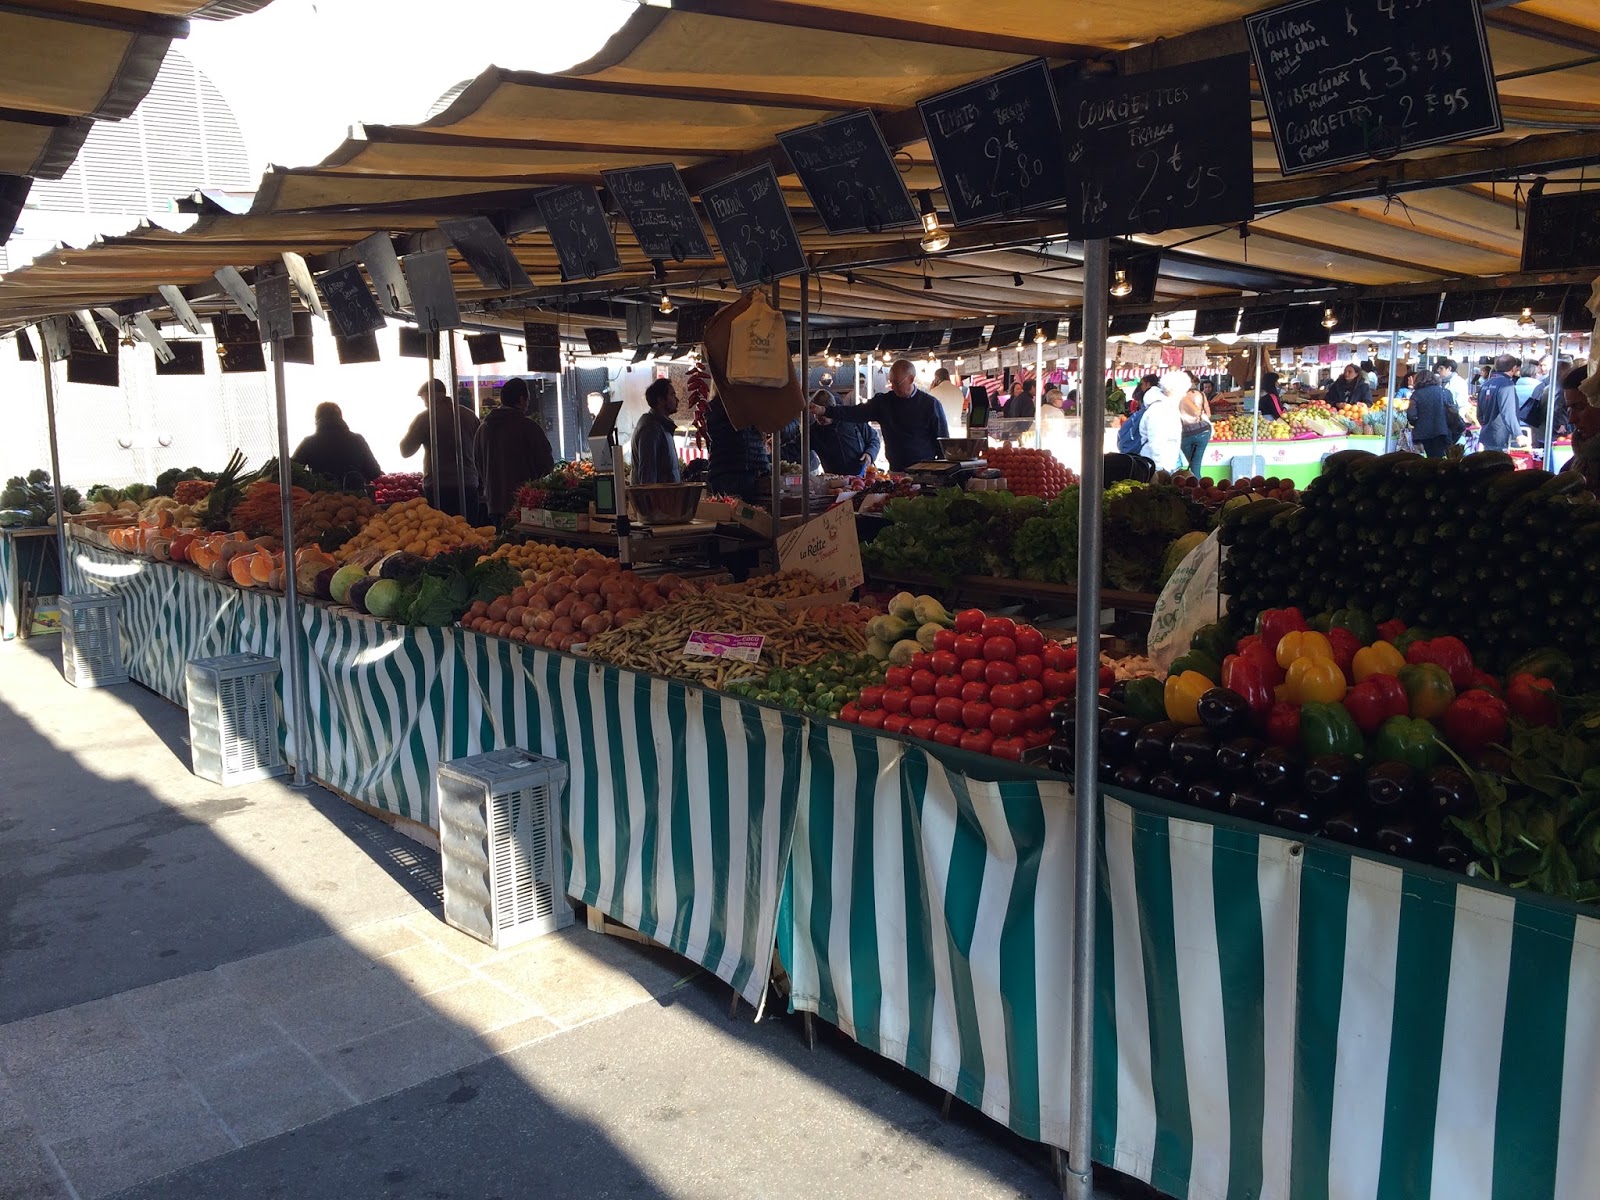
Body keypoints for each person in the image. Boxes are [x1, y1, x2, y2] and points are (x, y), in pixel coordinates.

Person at [810, 357, 948, 472]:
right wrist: (825, 411)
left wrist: (941, 472)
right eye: (891, 381)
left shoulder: (931, 405)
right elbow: (855, 413)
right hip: (896, 470)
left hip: (925, 471)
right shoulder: (884, 402)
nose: (892, 386)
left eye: (896, 382)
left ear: (911, 379)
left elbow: (942, 441)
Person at [474, 377, 555, 526]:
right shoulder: (528, 427)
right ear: (521, 399)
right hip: (523, 506)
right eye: (527, 399)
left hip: (493, 505)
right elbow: (547, 464)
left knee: (502, 547)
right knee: (524, 549)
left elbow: (477, 464)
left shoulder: (482, 429)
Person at [399, 379, 481, 518]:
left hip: (439, 487)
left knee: (442, 534)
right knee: (470, 532)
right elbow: (480, 450)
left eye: (423, 399)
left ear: (427, 396)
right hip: (469, 484)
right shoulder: (469, 415)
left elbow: (406, 451)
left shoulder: (426, 418)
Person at [291, 402, 381, 492]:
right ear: (340, 417)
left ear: (316, 419)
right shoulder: (357, 440)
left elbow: (291, 471)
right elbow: (375, 472)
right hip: (354, 501)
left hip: (321, 501)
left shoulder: (309, 442)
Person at [704, 394, 770, 501]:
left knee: (731, 513)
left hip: (728, 470)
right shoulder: (745, 404)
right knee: (740, 513)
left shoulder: (714, 408)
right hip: (740, 471)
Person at [630, 377, 682, 486]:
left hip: (666, 498)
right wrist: (650, 500)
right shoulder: (651, 428)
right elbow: (647, 472)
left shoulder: (662, 425)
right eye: (672, 395)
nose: (677, 400)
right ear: (660, 400)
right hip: (659, 500)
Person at [1139, 371, 1187, 473]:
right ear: (1174, 390)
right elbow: (1156, 443)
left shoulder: (1166, 407)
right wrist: (1160, 470)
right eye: (1184, 391)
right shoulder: (1161, 410)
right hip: (1159, 466)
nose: (1185, 394)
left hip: (1164, 463)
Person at [1475, 354, 1522, 452]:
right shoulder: (1507, 384)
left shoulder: (1486, 384)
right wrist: (1518, 434)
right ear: (1513, 368)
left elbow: (1479, 414)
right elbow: (1508, 411)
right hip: (1502, 436)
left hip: (1487, 434)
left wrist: (1486, 425)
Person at [1406, 369, 1455, 458]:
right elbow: (1454, 411)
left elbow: (1411, 415)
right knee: (1441, 457)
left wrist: (1417, 423)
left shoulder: (1416, 395)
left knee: (1430, 457)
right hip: (1443, 431)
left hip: (1424, 433)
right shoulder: (1445, 392)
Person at [1179, 380, 1213, 473]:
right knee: (1196, 464)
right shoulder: (1201, 394)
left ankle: (1197, 485)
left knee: (1194, 465)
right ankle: (1198, 484)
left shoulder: (1178, 397)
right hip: (1203, 431)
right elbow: (1208, 414)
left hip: (1185, 433)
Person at [927, 366, 966, 437]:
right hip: (957, 428)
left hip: (942, 430)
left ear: (936, 378)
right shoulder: (958, 390)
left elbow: (928, 410)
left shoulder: (936, 390)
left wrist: (931, 389)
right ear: (948, 377)